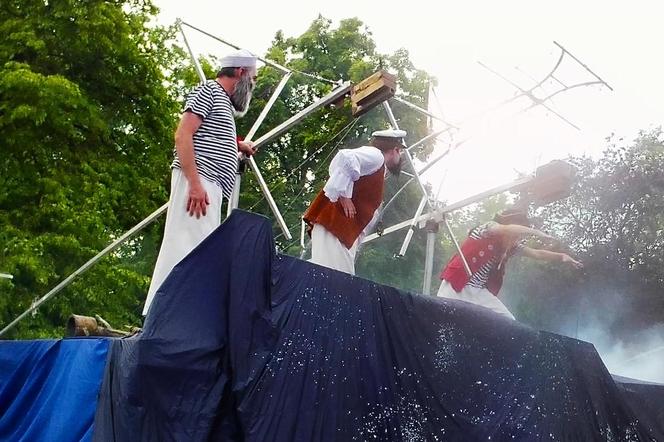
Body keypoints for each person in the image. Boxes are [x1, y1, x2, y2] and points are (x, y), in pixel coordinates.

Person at [143, 49, 258, 315]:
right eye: (252, 78)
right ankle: (170, 312)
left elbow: (210, 135)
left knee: (199, 244)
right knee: (187, 244)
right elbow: (183, 134)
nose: (252, 85)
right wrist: (194, 184)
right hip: (199, 182)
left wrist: (239, 145)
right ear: (240, 73)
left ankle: (179, 311)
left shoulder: (222, 102)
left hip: (209, 184)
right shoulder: (209, 90)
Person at [437, 208, 583, 320]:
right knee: (443, 318)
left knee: (508, 321)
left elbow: (537, 253)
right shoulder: (486, 230)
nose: (516, 239)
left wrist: (562, 256)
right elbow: (504, 229)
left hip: (477, 292)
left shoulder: (510, 248)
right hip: (457, 285)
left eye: (518, 236)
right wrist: (535, 231)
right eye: (516, 234)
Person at [303, 129, 405, 275]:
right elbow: (345, 158)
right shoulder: (376, 156)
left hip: (338, 230)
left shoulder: (378, 166)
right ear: (395, 149)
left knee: (329, 279)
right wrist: (345, 196)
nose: (400, 157)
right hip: (335, 226)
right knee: (336, 282)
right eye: (400, 152)